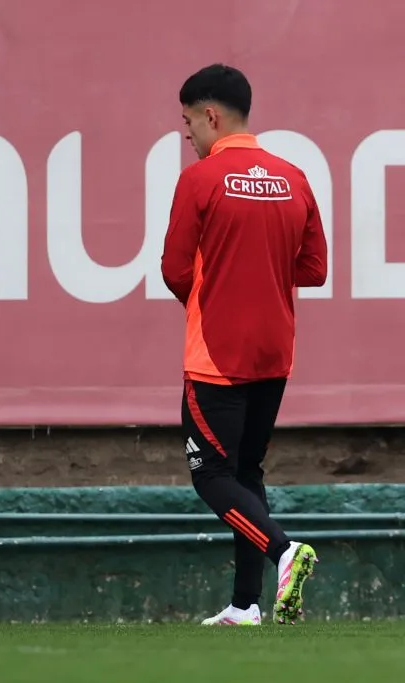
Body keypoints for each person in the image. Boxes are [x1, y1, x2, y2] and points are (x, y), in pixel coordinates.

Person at [161, 63, 328, 626]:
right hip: (274, 349)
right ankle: (244, 605)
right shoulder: (293, 176)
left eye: (188, 123)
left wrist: (218, 294)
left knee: (210, 474)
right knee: (247, 475)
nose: (188, 135)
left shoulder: (200, 179)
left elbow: (173, 269)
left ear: (211, 115)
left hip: (217, 351)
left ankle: (284, 551)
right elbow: (314, 268)